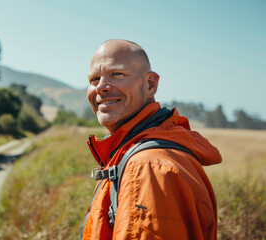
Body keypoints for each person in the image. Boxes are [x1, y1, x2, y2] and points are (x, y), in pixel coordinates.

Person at [80, 39, 222, 240]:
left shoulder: (148, 167)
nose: (101, 87)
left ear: (150, 84)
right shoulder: (134, 151)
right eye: (94, 79)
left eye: (117, 74)